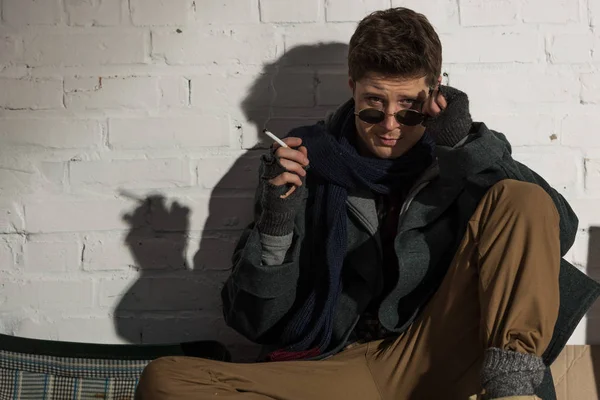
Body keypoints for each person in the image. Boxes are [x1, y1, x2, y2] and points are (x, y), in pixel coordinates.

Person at [135, 7, 600, 400]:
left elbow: (555, 229)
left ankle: (513, 395)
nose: (390, 125)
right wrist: (277, 222)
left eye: (409, 108)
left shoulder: (464, 153)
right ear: (352, 85)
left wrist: (465, 146)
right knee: (166, 380)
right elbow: (253, 323)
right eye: (373, 105)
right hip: (343, 363)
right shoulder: (304, 164)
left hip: (435, 348)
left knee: (519, 195)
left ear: (436, 90)